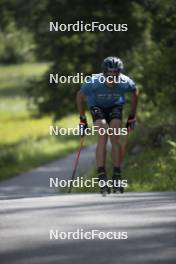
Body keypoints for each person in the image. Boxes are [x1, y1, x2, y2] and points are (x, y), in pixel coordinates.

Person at [76, 56, 138, 194]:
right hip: (97, 107)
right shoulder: (93, 82)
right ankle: (102, 177)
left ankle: (117, 175)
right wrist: (82, 119)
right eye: (109, 76)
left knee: (115, 136)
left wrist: (132, 116)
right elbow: (80, 96)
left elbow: (135, 93)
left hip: (115, 106)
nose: (112, 80)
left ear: (119, 74)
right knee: (103, 134)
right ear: (104, 74)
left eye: (115, 76)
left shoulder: (125, 82)